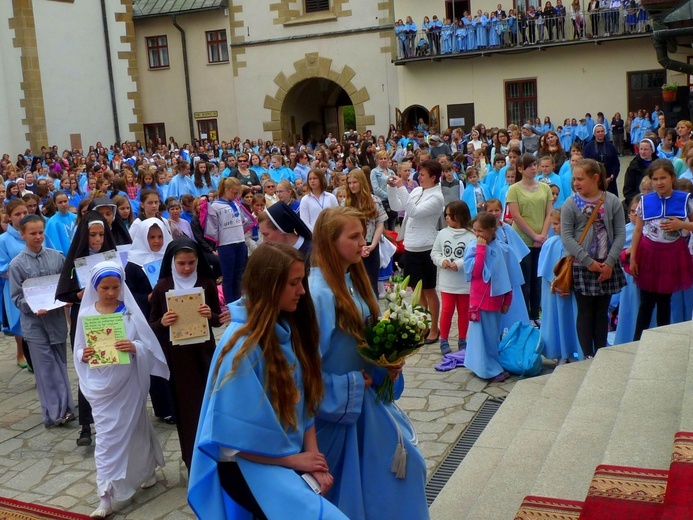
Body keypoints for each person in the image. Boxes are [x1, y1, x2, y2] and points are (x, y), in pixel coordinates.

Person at [189, 243, 345, 519]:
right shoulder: (241, 348)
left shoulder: (287, 326)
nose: (302, 291)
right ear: (269, 285)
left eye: (302, 281)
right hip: (247, 466)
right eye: (294, 283)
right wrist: (295, 460)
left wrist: (314, 459)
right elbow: (230, 442)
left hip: (282, 458)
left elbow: (304, 400)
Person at [308, 206, 429, 519]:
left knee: (404, 474)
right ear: (328, 243)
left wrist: (388, 364)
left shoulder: (354, 282)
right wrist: (345, 386)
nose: (363, 241)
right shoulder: (318, 294)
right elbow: (304, 369)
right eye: (354, 236)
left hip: (367, 407)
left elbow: (367, 340)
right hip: (336, 417)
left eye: (363, 234)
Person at [73, 261, 169, 519]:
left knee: (137, 428)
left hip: (128, 382)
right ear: (95, 287)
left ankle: (146, 471)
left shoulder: (129, 312)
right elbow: (78, 348)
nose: (111, 292)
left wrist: (133, 346)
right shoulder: (85, 315)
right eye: (105, 287)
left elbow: (145, 345)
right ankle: (105, 496)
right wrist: (85, 354)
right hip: (101, 387)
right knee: (106, 440)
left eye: (116, 287)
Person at [148, 237, 228, 471]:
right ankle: (192, 459)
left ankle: (213, 454)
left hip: (204, 354)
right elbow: (151, 324)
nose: (186, 268)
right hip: (178, 359)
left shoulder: (206, 283)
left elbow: (216, 320)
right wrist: (163, 322)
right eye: (181, 263)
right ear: (172, 262)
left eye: (191, 263)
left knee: (209, 404)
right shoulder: (163, 286)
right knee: (186, 408)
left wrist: (209, 314)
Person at [55, 211, 117, 446]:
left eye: (101, 234)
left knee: (111, 364)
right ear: (84, 235)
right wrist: (78, 294)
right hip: (84, 317)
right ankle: (85, 426)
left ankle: (110, 419)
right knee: (88, 366)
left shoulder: (111, 257)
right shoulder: (75, 260)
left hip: (110, 315)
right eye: (92, 235)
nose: (97, 240)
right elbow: (64, 291)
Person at [9, 214, 74, 427]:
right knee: (46, 369)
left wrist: (66, 298)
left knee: (60, 364)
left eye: (40, 232)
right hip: (34, 324)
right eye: (32, 233)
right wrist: (32, 307)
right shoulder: (17, 264)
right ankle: (55, 413)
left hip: (55, 320)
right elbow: (17, 297)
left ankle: (67, 407)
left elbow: (66, 284)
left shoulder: (57, 257)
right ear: (23, 234)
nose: (38, 237)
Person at [561, 159, 626, 358]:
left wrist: (609, 262)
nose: (576, 183)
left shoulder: (612, 200)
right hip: (583, 266)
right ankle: (587, 355)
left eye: (580, 179)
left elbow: (620, 233)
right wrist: (589, 262)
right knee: (585, 312)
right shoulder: (570, 203)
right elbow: (567, 236)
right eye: (574, 179)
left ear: (595, 178)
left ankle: (600, 353)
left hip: (607, 265)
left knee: (602, 312)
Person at [630, 159, 693, 341]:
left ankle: (661, 341)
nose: (659, 182)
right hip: (648, 254)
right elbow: (637, 230)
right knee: (646, 302)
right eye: (655, 179)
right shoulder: (645, 201)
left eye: (663, 178)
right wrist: (634, 257)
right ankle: (637, 342)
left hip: (672, 256)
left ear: (672, 177)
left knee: (665, 301)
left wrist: (682, 224)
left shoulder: (685, 200)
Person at [387, 159, 444, 344]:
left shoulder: (437, 197)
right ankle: (423, 325)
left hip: (426, 248)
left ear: (433, 177)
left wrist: (402, 186)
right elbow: (397, 207)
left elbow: (414, 212)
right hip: (411, 246)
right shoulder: (419, 190)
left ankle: (435, 327)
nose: (418, 177)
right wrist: (392, 188)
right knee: (417, 291)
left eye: (422, 175)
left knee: (429, 290)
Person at [463, 211, 522, 382]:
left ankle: (491, 364)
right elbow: (475, 271)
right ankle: (485, 368)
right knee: (480, 336)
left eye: (481, 231)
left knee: (493, 335)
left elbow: (508, 276)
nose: (477, 234)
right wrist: (481, 250)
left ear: (491, 230)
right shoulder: (473, 248)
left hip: (495, 299)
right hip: (479, 300)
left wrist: (507, 300)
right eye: (475, 230)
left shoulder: (503, 249)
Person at [506, 154, 553, 326]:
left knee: (538, 278)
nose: (534, 168)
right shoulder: (514, 189)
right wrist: (534, 236)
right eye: (529, 166)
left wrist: (542, 235)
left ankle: (535, 313)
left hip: (541, 238)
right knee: (525, 279)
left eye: (535, 164)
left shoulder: (544, 187)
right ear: (520, 169)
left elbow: (549, 212)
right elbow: (516, 216)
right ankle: (525, 315)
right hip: (522, 240)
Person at [538, 210, 582, 364]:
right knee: (557, 320)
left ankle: (570, 350)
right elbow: (545, 270)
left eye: (558, 224)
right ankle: (559, 352)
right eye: (554, 224)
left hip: (569, 290)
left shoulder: (575, 242)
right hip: (554, 290)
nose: (554, 227)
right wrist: (554, 283)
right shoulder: (551, 243)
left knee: (570, 319)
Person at [431, 201, 474, 355]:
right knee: (447, 310)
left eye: (450, 215)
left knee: (464, 311)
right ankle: (444, 339)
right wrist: (442, 261)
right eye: (446, 215)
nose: (447, 218)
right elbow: (435, 252)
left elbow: (472, 256)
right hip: (447, 282)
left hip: (464, 283)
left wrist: (460, 264)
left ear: (460, 216)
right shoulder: (442, 234)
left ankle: (463, 339)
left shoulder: (471, 236)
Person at [344, 169, 387, 295]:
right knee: (354, 284)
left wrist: (372, 245)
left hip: (370, 246)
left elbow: (380, 224)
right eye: (350, 183)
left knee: (371, 284)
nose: (352, 185)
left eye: (355, 182)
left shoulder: (375, 201)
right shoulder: (345, 203)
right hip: (352, 248)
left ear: (361, 182)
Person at [583, 123, 620, 196]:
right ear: (594, 134)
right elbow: (585, 164)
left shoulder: (610, 146)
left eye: (602, 131)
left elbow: (616, 163)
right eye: (598, 132)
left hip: (609, 182)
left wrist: (612, 177)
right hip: (594, 181)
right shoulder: (588, 147)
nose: (600, 133)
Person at [623, 138, 657, 208]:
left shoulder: (658, 165)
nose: (643, 152)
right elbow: (628, 190)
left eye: (646, 149)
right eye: (641, 149)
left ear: (652, 150)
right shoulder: (633, 166)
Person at [44, 191, 76, 256]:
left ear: (68, 201)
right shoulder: (52, 222)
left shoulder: (76, 218)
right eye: (60, 202)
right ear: (55, 204)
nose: (63, 204)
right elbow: (53, 245)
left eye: (65, 201)